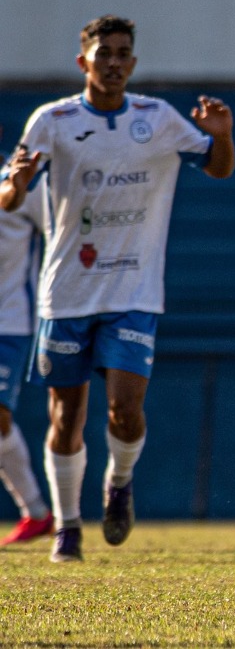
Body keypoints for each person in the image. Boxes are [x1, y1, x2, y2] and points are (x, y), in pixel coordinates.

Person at [0, 15, 235, 562]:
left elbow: (218, 169)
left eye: (122, 53)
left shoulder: (157, 118)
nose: (112, 62)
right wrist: (14, 181)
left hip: (134, 290)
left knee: (125, 410)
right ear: (83, 62)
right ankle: (67, 527)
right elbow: (12, 201)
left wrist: (222, 137)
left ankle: (120, 482)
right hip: (66, 293)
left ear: (133, 63)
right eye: (102, 53)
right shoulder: (52, 121)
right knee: (65, 417)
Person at [0, 142, 53, 546]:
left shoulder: (20, 183)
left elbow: (58, 232)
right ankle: (36, 513)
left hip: (9, 321)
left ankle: (36, 512)